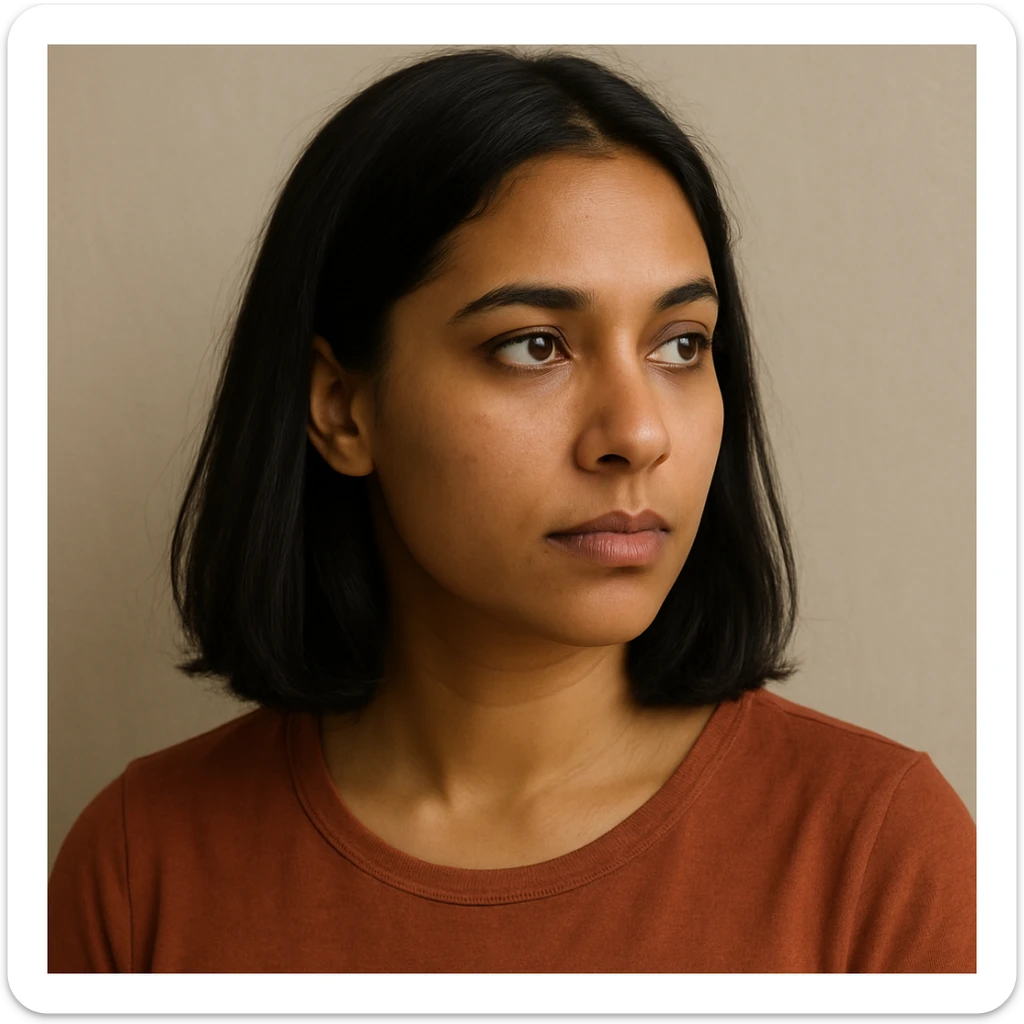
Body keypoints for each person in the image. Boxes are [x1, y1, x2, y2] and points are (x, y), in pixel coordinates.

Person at [48, 46, 975, 973]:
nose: (638, 434)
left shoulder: (878, 856)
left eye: (681, 345)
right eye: (535, 346)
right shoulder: (140, 869)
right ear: (340, 407)